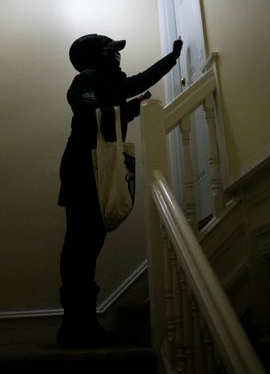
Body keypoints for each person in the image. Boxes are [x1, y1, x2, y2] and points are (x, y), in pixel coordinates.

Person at [57, 33, 183, 347]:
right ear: (94, 54)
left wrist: (174, 56)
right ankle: (77, 326)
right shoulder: (87, 78)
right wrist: (131, 109)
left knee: (89, 243)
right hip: (84, 167)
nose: (116, 55)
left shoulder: (111, 82)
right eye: (110, 49)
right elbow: (86, 113)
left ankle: (80, 324)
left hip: (98, 167)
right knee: (80, 244)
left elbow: (143, 78)